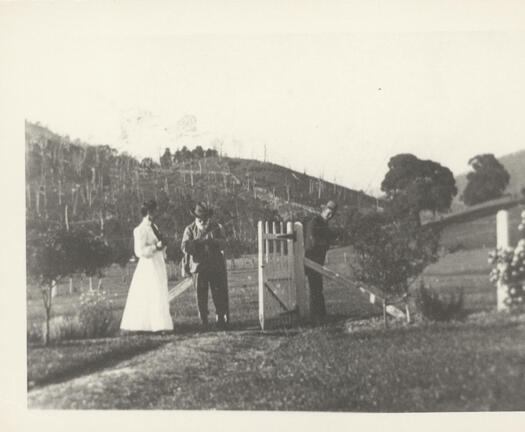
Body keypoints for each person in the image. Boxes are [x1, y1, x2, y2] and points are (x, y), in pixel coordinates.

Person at [120, 200, 174, 332]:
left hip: (158, 264)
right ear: (149, 212)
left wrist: (162, 246)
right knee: (152, 293)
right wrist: (156, 247)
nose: (157, 213)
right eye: (155, 210)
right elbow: (139, 251)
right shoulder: (140, 230)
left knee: (159, 293)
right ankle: (152, 326)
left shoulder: (154, 227)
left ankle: (160, 325)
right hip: (148, 266)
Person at [181, 201, 229, 330]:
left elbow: (224, 243)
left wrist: (213, 241)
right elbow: (185, 247)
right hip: (199, 267)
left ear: (209, 217)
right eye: (199, 218)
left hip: (215, 265)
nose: (202, 221)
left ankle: (221, 318)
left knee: (218, 293)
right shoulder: (190, 229)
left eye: (205, 218)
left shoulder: (217, 227)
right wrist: (198, 243)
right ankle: (204, 320)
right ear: (195, 217)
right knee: (200, 295)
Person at [304, 200, 338, 323]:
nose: (330, 216)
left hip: (318, 261)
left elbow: (330, 237)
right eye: (329, 212)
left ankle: (321, 315)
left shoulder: (324, 224)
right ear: (324, 210)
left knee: (318, 288)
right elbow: (313, 242)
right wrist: (326, 243)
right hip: (311, 260)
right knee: (315, 288)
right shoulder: (315, 222)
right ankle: (316, 317)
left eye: (332, 214)